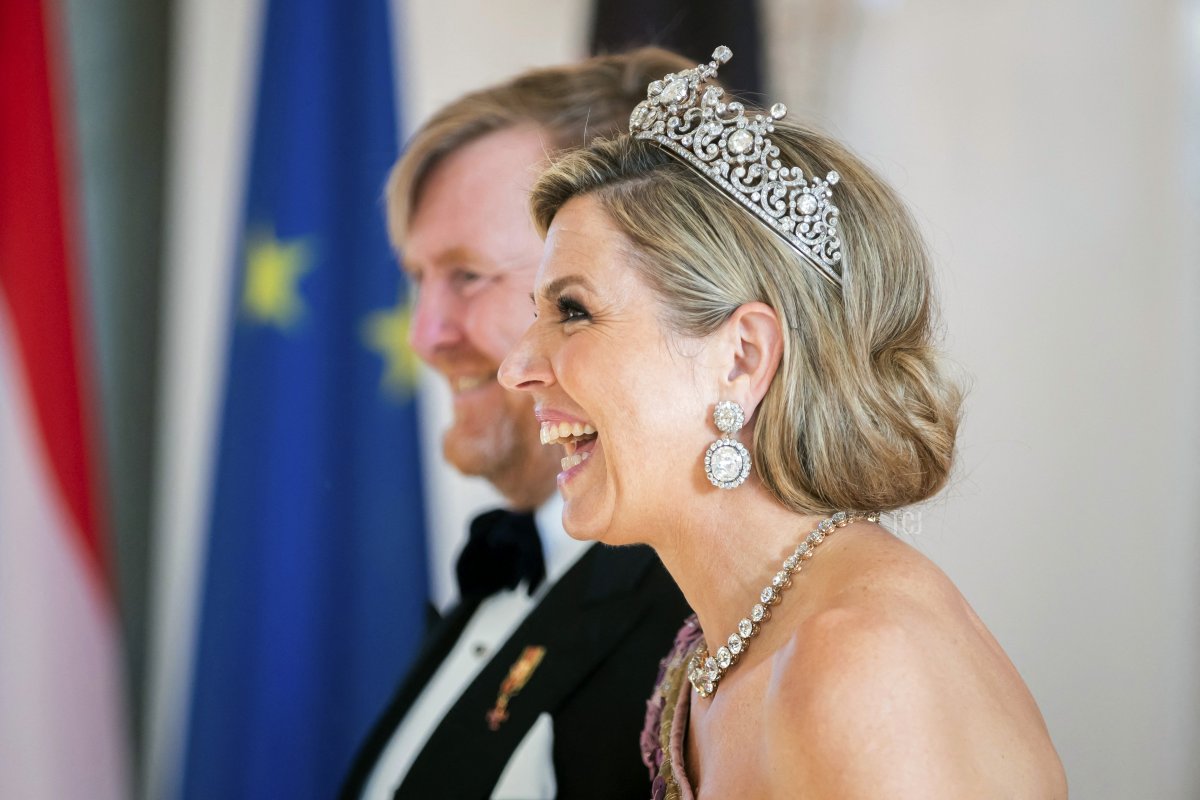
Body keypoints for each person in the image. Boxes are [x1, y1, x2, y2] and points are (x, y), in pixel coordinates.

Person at [499, 47, 1068, 798]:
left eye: (573, 311)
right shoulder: (708, 656)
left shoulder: (855, 662)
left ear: (741, 357)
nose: (515, 367)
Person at [338, 49, 696, 800]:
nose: (424, 333)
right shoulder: (494, 578)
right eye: (417, 280)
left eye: (468, 275)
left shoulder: (699, 628)